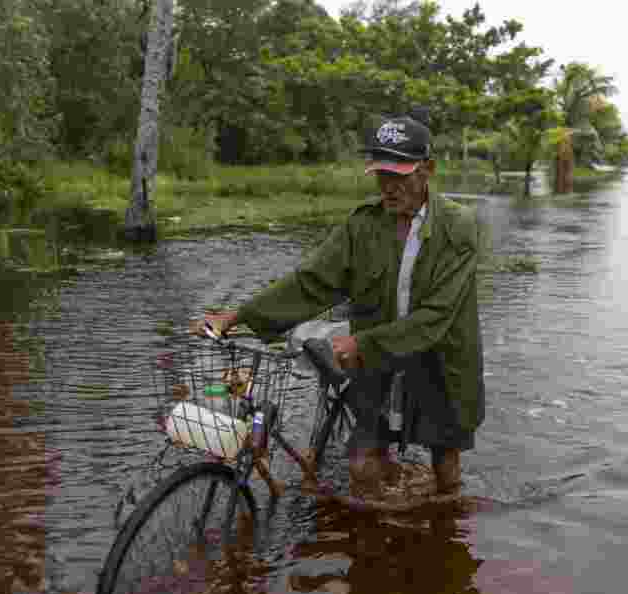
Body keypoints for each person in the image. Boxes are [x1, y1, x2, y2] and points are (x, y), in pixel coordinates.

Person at [205, 108, 485, 496]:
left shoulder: (459, 227)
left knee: (446, 469)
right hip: (377, 359)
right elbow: (312, 282)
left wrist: (360, 344)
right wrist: (238, 316)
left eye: (398, 176)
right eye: (381, 175)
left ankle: (440, 541)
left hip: (439, 360)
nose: (387, 187)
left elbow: (435, 317)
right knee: (362, 467)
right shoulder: (363, 225)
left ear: (427, 170)